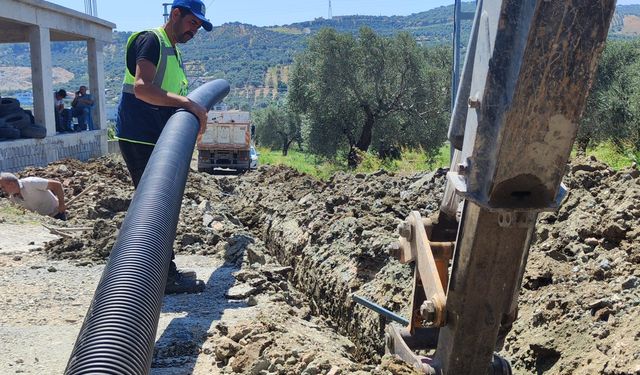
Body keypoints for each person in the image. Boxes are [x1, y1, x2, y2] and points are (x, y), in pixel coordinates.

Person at [114, 0, 212, 294]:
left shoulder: (172, 49)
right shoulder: (151, 41)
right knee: (155, 208)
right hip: (140, 137)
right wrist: (187, 103)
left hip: (154, 137)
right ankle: (162, 277)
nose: (194, 30)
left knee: (161, 206)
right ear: (176, 14)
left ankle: (159, 272)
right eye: (192, 22)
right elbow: (143, 88)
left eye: (199, 26)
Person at [0, 173, 67, 221]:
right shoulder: (13, 198)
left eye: (3, 187)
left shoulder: (31, 183)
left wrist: (61, 204)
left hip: (57, 213)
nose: (2, 190)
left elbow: (57, 185)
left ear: (11, 184)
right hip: (44, 221)